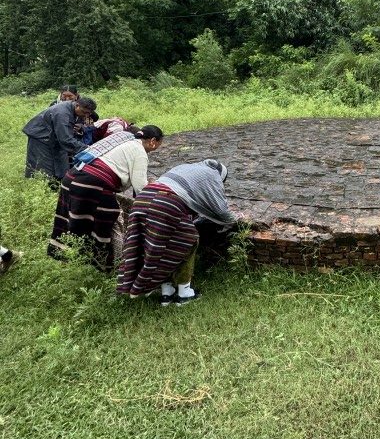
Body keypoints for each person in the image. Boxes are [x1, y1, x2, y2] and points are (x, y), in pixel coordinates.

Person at [116, 159, 235, 306]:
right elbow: (221, 210)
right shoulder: (214, 176)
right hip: (166, 203)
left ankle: (167, 292)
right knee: (187, 242)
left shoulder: (187, 167)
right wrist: (235, 219)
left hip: (143, 199)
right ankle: (185, 293)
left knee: (157, 248)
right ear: (221, 175)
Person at [48, 125, 164, 269]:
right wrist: (154, 189)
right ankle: (111, 263)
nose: (156, 148)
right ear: (153, 140)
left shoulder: (124, 141)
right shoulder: (139, 151)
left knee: (73, 220)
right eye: (158, 145)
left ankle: (71, 258)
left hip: (73, 176)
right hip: (91, 184)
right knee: (112, 220)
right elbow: (140, 187)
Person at [22, 97, 98, 182]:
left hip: (54, 137)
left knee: (61, 164)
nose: (86, 115)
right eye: (85, 112)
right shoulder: (62, 114)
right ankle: (43, 188)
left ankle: (58, 183)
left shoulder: (74, 108)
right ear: (77, 106)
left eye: (89, 113)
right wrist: (87, 149)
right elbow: (65, 139)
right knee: (43, 167)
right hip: (40, 137)